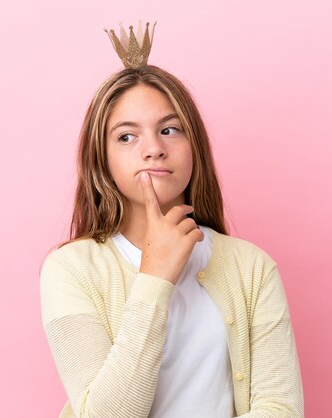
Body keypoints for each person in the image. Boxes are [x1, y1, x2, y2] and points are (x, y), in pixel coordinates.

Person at [40, 20, 304, 418]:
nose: (153, 149)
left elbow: (280, 408)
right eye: (127, 137)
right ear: (102, 159)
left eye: (169, 129)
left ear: (193, 145)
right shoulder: (70, 270)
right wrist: (155, 278)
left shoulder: (252, 268)